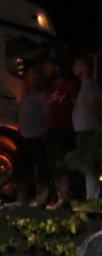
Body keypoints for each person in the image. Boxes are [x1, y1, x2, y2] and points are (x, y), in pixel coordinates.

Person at [42, 57, 77, 209]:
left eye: (47, 67)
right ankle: (60, 196)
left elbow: (76, 103)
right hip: (51, 130)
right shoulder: (50, 90)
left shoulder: (67, 86)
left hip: (64, 130)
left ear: (56, 69)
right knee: (53, 164)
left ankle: (66, 197)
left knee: (62, 163)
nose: (45, 71)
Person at [15, 67, 49, 206]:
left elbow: (48, 114)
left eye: (31, 76)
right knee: (23, 169)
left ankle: (41, 199)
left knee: (40, 170)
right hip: (24, 137)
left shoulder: (42, 96)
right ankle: (23, 198)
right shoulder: (26, 96)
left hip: (37, 136)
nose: (27, 78)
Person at [71, 55, 102, 201]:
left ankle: (92, 197)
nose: (73, 67)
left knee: (88, 165)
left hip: (87, 130)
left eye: (77, 64)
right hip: (83, 130)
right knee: (87, 165)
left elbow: (95, 105)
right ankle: (92, 195)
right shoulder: (85, 86)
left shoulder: (89, 85)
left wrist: (100, 125)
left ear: (84, 67)